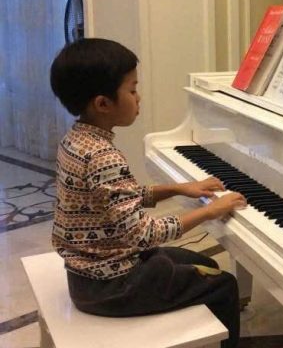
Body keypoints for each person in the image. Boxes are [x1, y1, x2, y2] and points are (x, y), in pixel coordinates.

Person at [49, 38, 247, 348]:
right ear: (103, 104)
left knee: (202, 263)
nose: (138, 98)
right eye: (132, 90)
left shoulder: (75, 141)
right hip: (114, 285)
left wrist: (178, 188)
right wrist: (210, 211)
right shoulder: (104, 157)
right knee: (224, 285)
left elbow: (116, 200)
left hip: (89, 274)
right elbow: (144, 235)